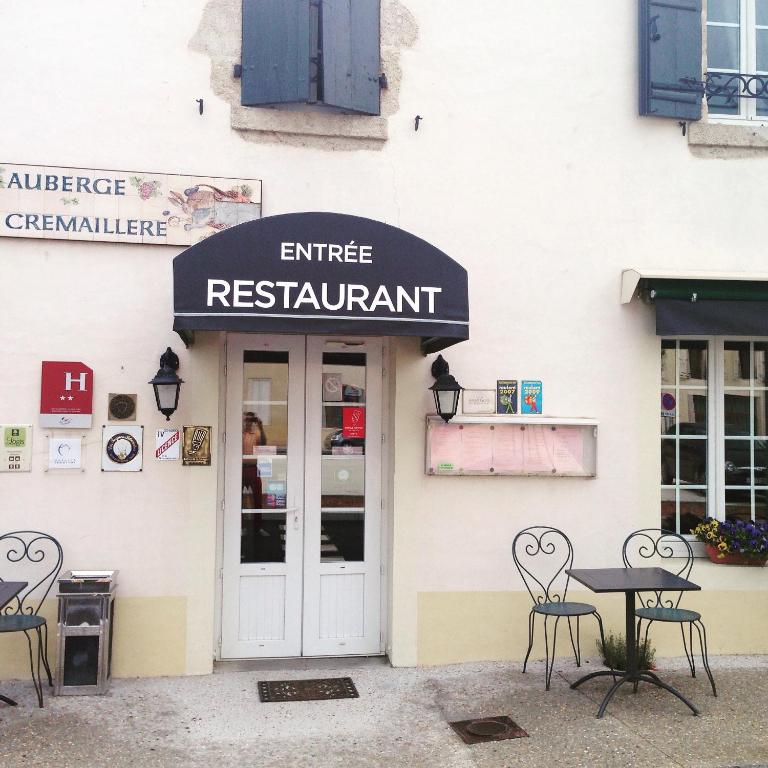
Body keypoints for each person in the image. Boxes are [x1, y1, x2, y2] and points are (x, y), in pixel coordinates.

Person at [242, 412, 269, 537]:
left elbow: (264, 443)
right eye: (246, 420)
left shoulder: (256, 433)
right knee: (238, 500)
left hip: (253, 468)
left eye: (250, 420)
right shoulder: (239, 433)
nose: (248, 423)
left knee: (257, 499)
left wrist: (260, 426)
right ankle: (240, 526)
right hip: (240, 469)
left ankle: (258, 528)